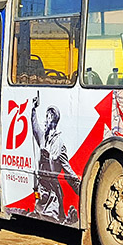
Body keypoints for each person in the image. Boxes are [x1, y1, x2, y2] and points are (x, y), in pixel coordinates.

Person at [31, 95, 79, 223]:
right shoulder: (44, 137)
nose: (45, 121)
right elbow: (35, 129)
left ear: (52, 119)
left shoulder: (58, 141)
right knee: (39, 210)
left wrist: (79, 185)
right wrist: (33, 110)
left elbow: (63, 165)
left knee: (53, 213)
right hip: (43, 183)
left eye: (47, 117)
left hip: (52, 184)